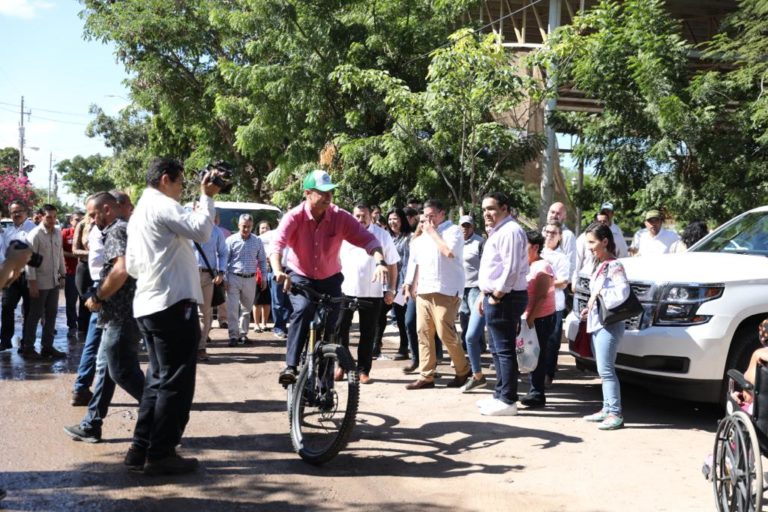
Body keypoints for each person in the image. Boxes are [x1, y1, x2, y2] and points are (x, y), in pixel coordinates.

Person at [124, 157, 221, 475]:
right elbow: (202, 231)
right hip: (171, 304)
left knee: (157, 380)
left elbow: (133, 266)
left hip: (151, 304)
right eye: (180, 183)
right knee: (175, 383)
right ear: (166, 179)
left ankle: (141, 448)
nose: (182, 190)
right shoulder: (162, 204)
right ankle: (162, 452)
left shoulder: (141, 210)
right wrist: (207, 196)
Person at [271, 170, 388, 386]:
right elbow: (276, 245)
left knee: (330, 326)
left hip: (330, 278)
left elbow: (368, 240)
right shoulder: (294, 217)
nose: (327, 197)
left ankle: (325, 384)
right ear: (307, 193)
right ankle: (291, 365)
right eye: (322, 192)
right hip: (301, 276)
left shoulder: (340, 217)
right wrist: (278, 270)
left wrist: (380, 261)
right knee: (304, 309)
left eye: (330, 192)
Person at [63, 192, 144, 443]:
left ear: (107, 209)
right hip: (115, 315)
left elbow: (120, 269)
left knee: (123, 372)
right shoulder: (118, 229)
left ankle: (165, 417)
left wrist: (97, 296)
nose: (91, 219)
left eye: (93, 214)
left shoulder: (118, 230)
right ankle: (91, 424)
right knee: (105, 370)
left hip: (121, 315)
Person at [403, 199, 470, 390]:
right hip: (424, 289)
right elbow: (414, 262)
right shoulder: (420, 237)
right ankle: (426, 375)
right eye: (426, 216)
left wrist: (432, 232)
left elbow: (449, 252)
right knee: (422, 332)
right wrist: (409, 283)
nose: (429, 219)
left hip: (447, 289)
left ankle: (463, 370)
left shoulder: (453, 231)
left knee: (445, 332)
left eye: (433, 215)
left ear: (442, 213)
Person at [475, 192, 529, 415]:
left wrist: (497, 295)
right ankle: (500, 394)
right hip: (495, 295)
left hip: (505, 298)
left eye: (491, 208)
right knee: (497, 349)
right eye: (484, 209)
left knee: (504, 349)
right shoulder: (499, 231)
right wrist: (485, 293)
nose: (486, 213)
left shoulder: (511, 231)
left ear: (505, 208)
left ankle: (507, 400)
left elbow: (511, 268)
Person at [337, 203, 399, 384]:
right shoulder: (345, 234)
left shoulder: (382, 235)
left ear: (371, 216)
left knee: (368, 333)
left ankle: (363, 370)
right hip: (345, 290)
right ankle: (343, 365)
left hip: (372, 292)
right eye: (357, 215)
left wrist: (391, 289)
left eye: (364, 215)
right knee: (340, 329)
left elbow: (393, 264)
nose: (360, 219)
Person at [580, 222, 630, 430]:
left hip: (609, 325)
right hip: (599, 324)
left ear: (605, 242)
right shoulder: (600, 264)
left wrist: (599, 296)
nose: (589, 247)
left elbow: (623, 292)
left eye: (592, 242)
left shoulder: (615, 265)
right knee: (603, 370)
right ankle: (607, 408)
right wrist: (590, 307)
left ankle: (615, 413)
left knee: (607, 370)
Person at [20, 204, 67, 359]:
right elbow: (29, 261)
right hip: (39, 281)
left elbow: (60, 255)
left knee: (52, 315)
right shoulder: (35, 234)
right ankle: (28, 347)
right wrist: (32, 283)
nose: (52, 219)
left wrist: (63, 274)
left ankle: (47, 347)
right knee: (35, 314)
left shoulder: (57, 233)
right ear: (40, 216)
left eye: (54, 216)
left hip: (53, 281)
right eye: (49, 216)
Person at [520, 230, 556, 408]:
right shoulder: (526, 265)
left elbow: (542, 296)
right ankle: (534, 390)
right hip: (530, 318)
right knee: (529, 354)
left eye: (523, 245)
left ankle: (537, 393)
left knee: (537, 355)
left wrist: (530, 320)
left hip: (540, 319)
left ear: (535, 247)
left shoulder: (543, 267)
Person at [224, 214, 268, 346]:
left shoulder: (257, 241)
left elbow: (262, 260)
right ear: (238, 226)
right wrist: (225, 278)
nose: (246, 229)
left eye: (249, 227)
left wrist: (264, 277)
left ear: (252, 226)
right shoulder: (231, 240)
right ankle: (233, 335)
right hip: (234, 277)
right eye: (244, 226)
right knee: (232, 308)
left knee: (246, 309)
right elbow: (224, 260)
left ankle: (243, 334)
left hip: (250, 278)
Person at [0, 200, 36, 352]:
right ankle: (5, 341)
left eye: (19, 211)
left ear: (26, 212)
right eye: (13, 212)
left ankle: (26, 343)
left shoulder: (34, 230)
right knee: (7, 307)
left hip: (29, 275)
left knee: (28, 310)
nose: (16, 214)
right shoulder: (8, 232)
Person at [193, 208, 227, 361]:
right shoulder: (188, 228)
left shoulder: (216, 232)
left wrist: (221, 272)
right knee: (186, 312)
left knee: (205, 313)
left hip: (209, 275)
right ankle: (187, 346)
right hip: (189, 274)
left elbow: (223, 252)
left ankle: (201, 347)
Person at [380, 207, 411, 360]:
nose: (393, 222)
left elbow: (409, 262)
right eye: (390, 219)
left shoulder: (409, 238)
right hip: (385, 284)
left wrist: (407, 283)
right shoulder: (386, 237)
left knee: (400, 316)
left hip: (402, 285)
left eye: (396, 219)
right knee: (380, 314)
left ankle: (404, 346)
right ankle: (376, 345)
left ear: (402, 220)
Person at [541, 221, 570, 386]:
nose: (550, 235)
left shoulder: (562, 258)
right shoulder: (537, 252)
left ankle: (548, 375)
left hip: (555, 305)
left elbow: (564, 282)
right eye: (548, 231)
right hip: (535, 304)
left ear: (559, 236)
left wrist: (544, 284)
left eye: (554, 233)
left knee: (552, 342)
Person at [62, 211, 84, 337]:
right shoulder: (65, 233)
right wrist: (74, 254)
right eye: (76, 219)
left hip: (84, 272)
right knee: (71, 300)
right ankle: (72, 325)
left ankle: (82, 324)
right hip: (70, 272)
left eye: (81, 219)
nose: (79, 222)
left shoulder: (86, 233)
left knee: (84, 299)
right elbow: (60, 250)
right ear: (71, 221)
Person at [544, 202, 576, 277]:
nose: (554, 215)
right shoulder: (543, 230)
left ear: (564, 217)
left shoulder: (567, 235)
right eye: (552, 212)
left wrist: (563, 283)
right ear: (548, 213)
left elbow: (571, 263)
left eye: (558, 213)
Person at [252, 220, 273, 333]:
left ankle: (265, 323)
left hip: (270, 272)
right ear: (258, 230)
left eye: (267, 227)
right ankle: (256, 324)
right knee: (257, 300)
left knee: (267, 301)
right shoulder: (255, 241)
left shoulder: (274, 241)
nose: (264, 230)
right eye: (262, 228)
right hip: (257, 273)